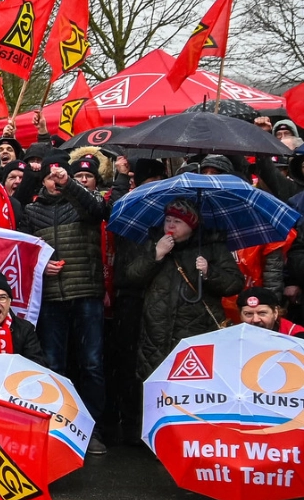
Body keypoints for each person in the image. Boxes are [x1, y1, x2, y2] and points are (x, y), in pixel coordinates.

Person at [116, 197, 243, 386]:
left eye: (177, 222)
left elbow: (235, 283)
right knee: (156, 386)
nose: (171, 225)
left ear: (192, 225)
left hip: (198, 329)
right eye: (168, 220)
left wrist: (210, 272)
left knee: (194, 385)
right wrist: (156, 255)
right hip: (157, 332)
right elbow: (133, 276)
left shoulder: (212, 247)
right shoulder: (155, 242)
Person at [22, 157, 109, 422]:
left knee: (92, 364)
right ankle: (58, 421)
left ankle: (93, 425)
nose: (55, 182)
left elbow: (98, 212)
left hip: (86, 294)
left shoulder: (82, 204)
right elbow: (23, 251)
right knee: (53, 364)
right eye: (50, 178)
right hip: (50, 298)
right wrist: (40, 266)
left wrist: (69, 184)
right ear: (42, 182)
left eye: (60, 177)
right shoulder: (30, 211)